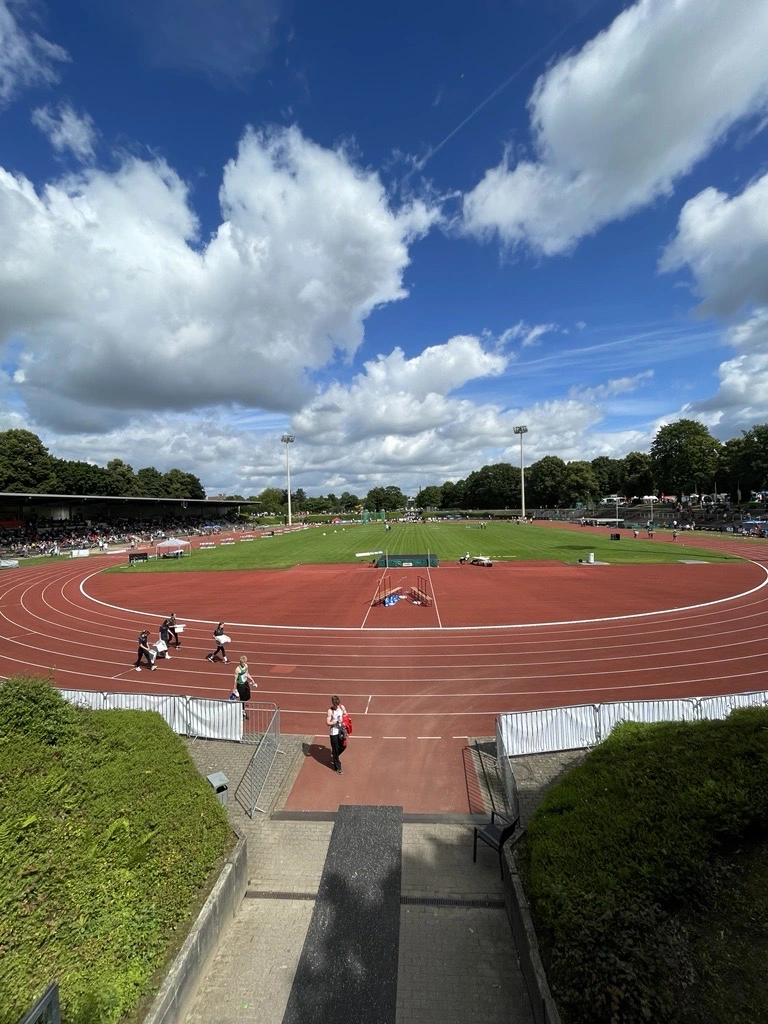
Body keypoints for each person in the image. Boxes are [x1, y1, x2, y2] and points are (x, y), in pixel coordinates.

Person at [327, 694, 347, 774]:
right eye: (335, 703)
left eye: (337, 703)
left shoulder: (342, 707)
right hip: (334, 732)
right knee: (335, 749)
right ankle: (338, 767)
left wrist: (345, 720)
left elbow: (346, 715)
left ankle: (335, 755)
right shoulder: (330, 711)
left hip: (341, 730)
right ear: (333, 703)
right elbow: (327, 722)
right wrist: (333, 722)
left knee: (343, 746)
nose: (336, 705)